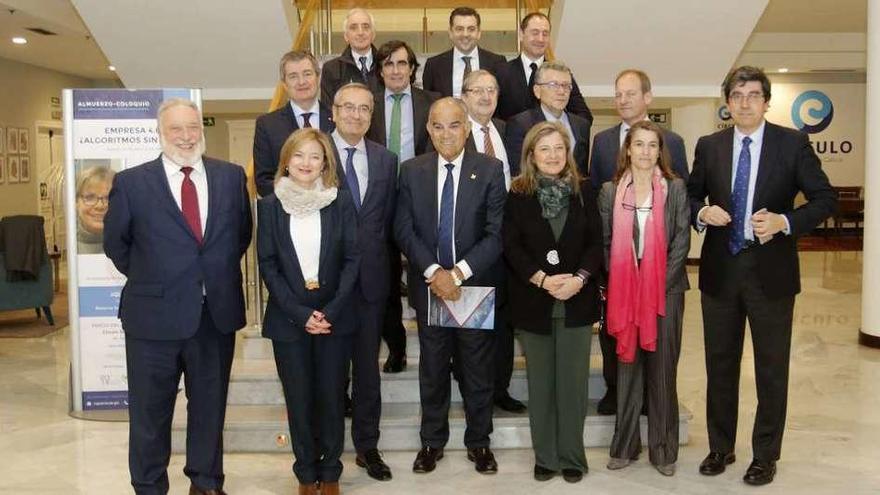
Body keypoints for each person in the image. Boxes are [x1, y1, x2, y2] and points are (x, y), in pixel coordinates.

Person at [688, 66, 836, 486]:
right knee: (719, 364)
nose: (746, 102)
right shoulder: (710, 145)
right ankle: (721, 447)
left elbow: (824, 200)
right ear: (728, 102)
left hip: (771, 274)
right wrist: (702, 211)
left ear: (766, 101)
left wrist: (785, 222)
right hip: (720, 272)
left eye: (754, 95)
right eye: (738, 95)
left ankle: (765, 455)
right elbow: (692, 193)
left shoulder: (792, 143)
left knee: (771, 369)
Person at [103, 98, 252, 495]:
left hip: (213, 315)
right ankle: (150, 486)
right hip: (153, 320)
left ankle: (206, 483)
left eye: (193, 128)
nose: (186, 137)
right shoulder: (132, 183)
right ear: (161, 133)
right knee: (151, 414)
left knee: (209, 410)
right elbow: (117, 245)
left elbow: (240, 237)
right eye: (176, 129)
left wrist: (206, 277)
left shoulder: (231, 176)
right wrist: (160, 279)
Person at [394, 98, 506, 475]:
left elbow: (496, 234)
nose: (446, 134)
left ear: (467, 127)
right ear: (428, 129)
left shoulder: (490, 169)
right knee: (434, 369)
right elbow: (403, 229)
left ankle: (479, 443)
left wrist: (456, 274)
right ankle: (431, 442)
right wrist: (433, 273)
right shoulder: (411, 171)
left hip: (473, 287)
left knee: (477, 369)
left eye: (454, 125)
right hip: (429, 288)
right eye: (438, 126)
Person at [257, 128, 359, 495]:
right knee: (298, 400)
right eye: (299, 155)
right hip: (289, 319)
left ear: (325, 163)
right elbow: (267, 264)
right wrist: (301, 314)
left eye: (315, 156)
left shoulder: (340, 202)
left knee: (332, 399)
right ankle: (305, 474)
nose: (306, 163)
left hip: (336, 316)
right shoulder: (269, 206)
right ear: (287, 160)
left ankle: (330, 473)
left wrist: (330, 310)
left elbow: (352, 260)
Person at [502, 121, 602, 484]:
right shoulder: (518, 193)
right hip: (534, 302)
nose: (553, 155)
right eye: (544, 149)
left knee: (573, 388)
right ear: (531, 154)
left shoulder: (584, 191)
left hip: (576, 300)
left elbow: (596, 243)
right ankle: (545, 457)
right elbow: (511, 246)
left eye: (559, 148)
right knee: (541, 386)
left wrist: (578, 280)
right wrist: (543, 279)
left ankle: (572, 456)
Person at [588, 68, 689, 415]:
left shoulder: (671, 140)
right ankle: (617, 390)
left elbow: (680, 203)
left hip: (658, 264)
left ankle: (650, 396)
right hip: (617, 262)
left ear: (647, 97)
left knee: (656, 338)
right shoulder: (601, 141)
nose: (623, 100)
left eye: (630, 93)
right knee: (613, 332)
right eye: (617, 94)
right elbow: (597, 197)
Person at [599, 120, 690, 476]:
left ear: (660, 151)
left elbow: (682, 239)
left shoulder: (675, 188)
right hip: (624, 291)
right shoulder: (610, 191)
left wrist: (655, 286)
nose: (645, 152)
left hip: (665, 291)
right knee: (627, 368)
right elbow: (606, 243)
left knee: (663, 371)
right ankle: (625, 446)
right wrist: (626, 282)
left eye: (653, 145)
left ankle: (664, 451)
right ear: (628, 149)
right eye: (639, 144)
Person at [329, 82, 397, 481]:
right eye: (348, 107)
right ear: (333, 112)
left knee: (368, 373)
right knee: (331, 373)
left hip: (371, 283)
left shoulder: (387, 160)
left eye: (364, 109)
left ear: (372, 116)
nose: (356, 115)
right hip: (328, 284)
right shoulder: (315, 155)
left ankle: (367, 447)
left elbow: (387, 222)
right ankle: (329, 450)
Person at [367, 39, 440, 372]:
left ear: (412, 69)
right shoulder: (368, 105)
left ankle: (440, 347)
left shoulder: (432, 102)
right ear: (380, 71)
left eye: (401, 63)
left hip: (423, 199)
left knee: (430, 269)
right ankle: (396, 348)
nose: (395, 70)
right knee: (384, 279)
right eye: (388, 64)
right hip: (380, 202)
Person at [460, 68, 523, 413]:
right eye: (477, 90)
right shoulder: (453, 133)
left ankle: (501, 388)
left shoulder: (505, 130)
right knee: (474, 327)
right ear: (464, 96)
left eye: (491, 90)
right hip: (471, 246)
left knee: (503, 323)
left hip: (507, 243)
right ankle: (476, 391)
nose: (485, 97)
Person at [255, 50, 335, 197]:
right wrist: (298, 199)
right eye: (293, 76)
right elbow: (263, 181)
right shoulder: (267, 125)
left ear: (318, 78)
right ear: (284, 85)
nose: (301, 82)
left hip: (332, 209)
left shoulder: (337, 118)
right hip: (287, 212)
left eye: (307, 74)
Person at [496, 12, 592, 122]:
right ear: (521, 34)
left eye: (545, 34)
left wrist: (559, 130)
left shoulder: (561, 73)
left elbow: (584, 115)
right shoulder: (501, 73)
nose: (540, 39)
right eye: (535, 33)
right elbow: (493, 117)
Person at [505, 61, 591, 177]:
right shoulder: (520, 124)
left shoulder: (582, 125)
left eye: (566, 86)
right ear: (537, 91)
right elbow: (519, 173)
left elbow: (582, 174)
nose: (561, 91)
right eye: (553, 85)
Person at [421, 7, 506, 98]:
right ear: (450, 32)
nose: (465, 34)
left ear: (479, 33)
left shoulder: (498, 63)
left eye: (471, 29)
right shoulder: (434, 66)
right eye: (459, 29)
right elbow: (429, 104)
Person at [319, 8, 383, 108]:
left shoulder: (386, 65)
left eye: (366, 27)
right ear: (346, 36)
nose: (360, 32)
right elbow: (329, 110)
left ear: (373, 34)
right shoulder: (331, 69)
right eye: (354, 28)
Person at [75, 166, 114, 254]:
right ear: (76, 203)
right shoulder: (68, 247)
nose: (99, 206)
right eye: (89, 198)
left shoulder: (134, 246)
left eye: (108, 198)